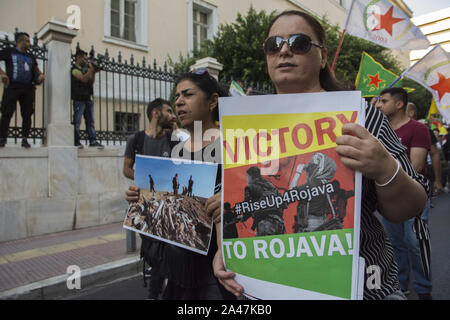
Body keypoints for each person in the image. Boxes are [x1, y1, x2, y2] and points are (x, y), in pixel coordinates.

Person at [213, 10, 429, 301]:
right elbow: (225, 205)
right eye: (273, 44)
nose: (284, 50)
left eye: (299, 42)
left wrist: (385, 169)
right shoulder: (245, 127)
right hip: (267, 288)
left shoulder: (362, 118)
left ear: (323, 56)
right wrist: (223, 250)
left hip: (363, 287)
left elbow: (410, 206)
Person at [126, 70, 235, 300]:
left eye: (188, 94)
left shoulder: (231, 144)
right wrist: (143, 197)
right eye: (176, 96)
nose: (179, 102)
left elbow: (248, 198)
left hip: (216, 269)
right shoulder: (177, 148)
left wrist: (227, 200)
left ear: (213, 101)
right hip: (178, 269)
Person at [376, 88, 433, 300]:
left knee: (415, 242)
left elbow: (416, 167)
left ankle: (424, 289)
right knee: (394, 243)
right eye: (378, 101)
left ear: (399, 104)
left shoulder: (417, 129)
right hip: (387, 196)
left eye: (384, 101)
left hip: (413, 195)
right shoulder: (379, 130)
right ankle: (401, 287)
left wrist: (386, 171)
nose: (379, 105)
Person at [123, 98, 177, 300]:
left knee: (164, 249)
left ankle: (155, 294)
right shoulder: (136, 140)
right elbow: (126, 169)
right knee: (152, 251)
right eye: (168, 111)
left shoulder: (174, 140)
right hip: (145, 205)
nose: (172, 115)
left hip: (168, 205)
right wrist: (143, 179)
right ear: (156, 113)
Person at [0, 32, 45, 148]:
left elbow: (36, 69)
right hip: (12, 86)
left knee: (27, 114)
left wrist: (40, 75)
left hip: (28, 88)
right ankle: (2, 137)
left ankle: (25, 138)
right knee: (7, 112)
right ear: (20, 41)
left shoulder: (31, 56)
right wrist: (3, 74)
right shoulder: (9, 51)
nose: (29, 43)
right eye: (28, 41)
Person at [71, 49, 104, 149]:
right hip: (79, 99)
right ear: (78, 57)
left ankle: (92, 141)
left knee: (90, 122)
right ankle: (76, 141)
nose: (86, 61)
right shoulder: (74, 69)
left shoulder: (86, 69)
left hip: (88, 98)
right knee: (77, 121)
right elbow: (83, 79)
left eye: (86, 59)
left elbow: (91, 82)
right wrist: (91, 69)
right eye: (84, 59)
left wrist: (93, 72)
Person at [241, 166, 287, 236]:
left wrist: (243, 218)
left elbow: (247, 207)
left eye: (247, 176)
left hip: (266, 224)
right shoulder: (271, 187)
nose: (247, 179)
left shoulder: (250, 187)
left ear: (250, 176)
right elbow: (284, 204)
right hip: (280, 224)